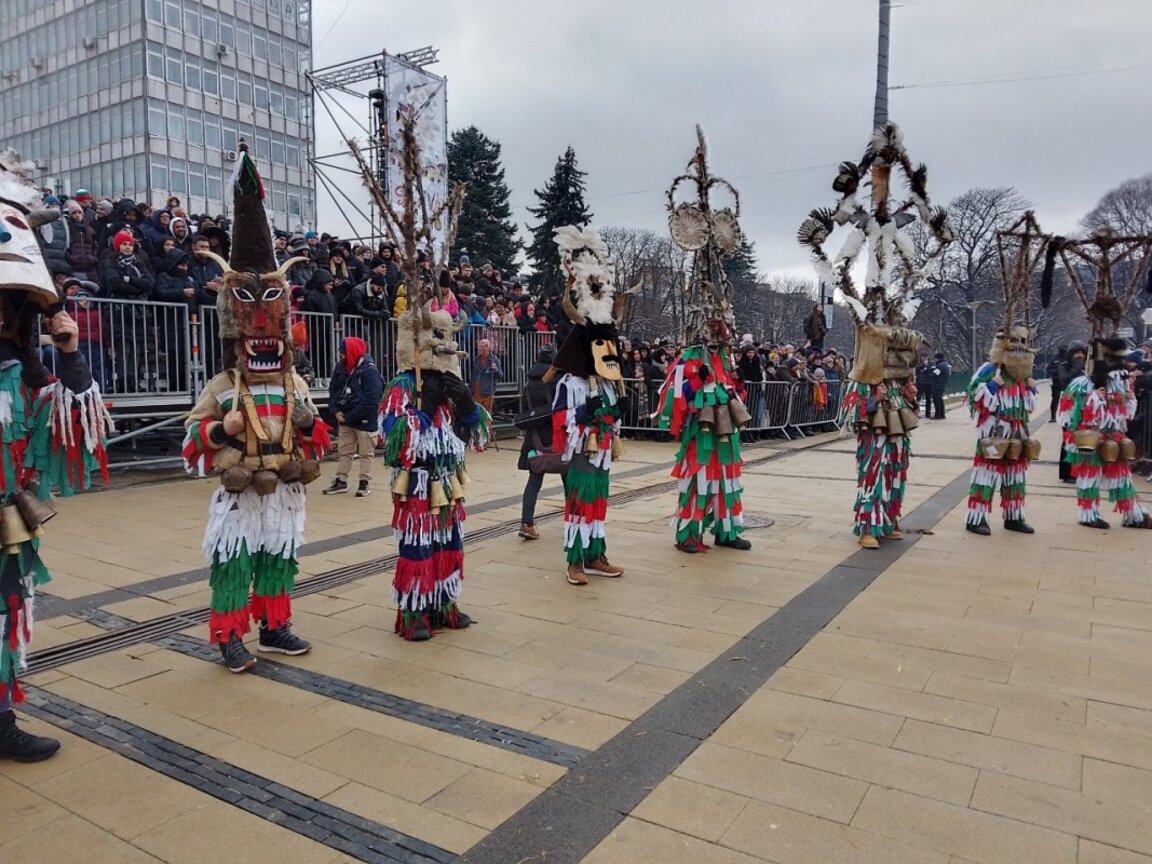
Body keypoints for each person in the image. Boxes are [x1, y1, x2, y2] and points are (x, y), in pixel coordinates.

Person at [181, 143, 330, 673]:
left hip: (284, 489)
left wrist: (311, 427)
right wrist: (222, 429)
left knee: (279, 558)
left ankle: (275, 627)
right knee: (233, 562)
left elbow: (318, 437)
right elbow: (190, 439)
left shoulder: (293, 382)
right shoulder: (222, 384)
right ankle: (228, 637)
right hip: (239, 491)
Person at [0, 150, 113, 760]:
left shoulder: (24, 378)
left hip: (6, 525)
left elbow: (77, 424)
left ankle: (0, 720)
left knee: (4, 615)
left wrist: (68, 348)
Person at [379, 298, 487, 640]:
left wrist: (468, 405)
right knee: (417, 547)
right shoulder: (403, 386)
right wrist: (423, 410)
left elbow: (478, 434)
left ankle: (443, 605)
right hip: (416, 482)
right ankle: (414, 613)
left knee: (448, 543)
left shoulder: (451, 384)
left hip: (448, 480)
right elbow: (390, 434)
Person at [549, 226, 626, 585]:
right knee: (579, 502)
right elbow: (562, 417)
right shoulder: (571, 382)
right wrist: (583, 419)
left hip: (604, 450)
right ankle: (574, 561)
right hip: (582, 451)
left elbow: (614, 412)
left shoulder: (610, 381)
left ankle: (597, 554)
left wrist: (612, 419)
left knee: (599, 502)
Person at [1057, 337, 1152, 529]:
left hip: (1114, 437)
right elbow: (1068, 415)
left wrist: (1130, 398)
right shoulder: (1082, 384)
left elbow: (1124, 415)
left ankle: (1134, 514)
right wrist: (1094, 399)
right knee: (1089, 477)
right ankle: (1088, 515)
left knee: (1122, 476)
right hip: (1090, 439)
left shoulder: (1119, 382)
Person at [965, 325, 1039, 536]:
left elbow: (1029, 406)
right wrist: (990, 387)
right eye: (1014, 341)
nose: (1019, 346)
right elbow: (972, 395)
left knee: (1015, 477)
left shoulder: (1024, 375)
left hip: (1018, 432)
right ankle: (976, 518)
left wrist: (1032, 389)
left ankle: (1014, 517)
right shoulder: (990, 369)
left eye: (1023, 342)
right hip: (994, 432)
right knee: (986, 475)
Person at [323, 337, 384, 498]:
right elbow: (334, 389)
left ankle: (364, 482)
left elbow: (371, 399)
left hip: (364, 420)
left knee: (366, 453)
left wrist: (350, 416)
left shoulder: (370, 371)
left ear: (352, 352)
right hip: (345, 418)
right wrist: (335, 409)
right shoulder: (341, 367)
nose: (339, 355)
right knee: (344, 451)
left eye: (342, 352)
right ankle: (341, 480)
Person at [517, 343, 558, 539]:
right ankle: (574, 519)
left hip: (535, 438)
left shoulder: (529, 383)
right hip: (557, 436)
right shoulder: (556, 380)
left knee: (534, 480)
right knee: (568, 477)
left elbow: (525, 409)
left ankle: (527, 522)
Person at [1057, 342, 1087, 483]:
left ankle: (1080, 469)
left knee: (1083, 439)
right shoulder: (1063, 366)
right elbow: (1065, 381)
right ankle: (1067, 472)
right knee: (1068, 439)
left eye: (1082, 353)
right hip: (1069, 409)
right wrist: (1076, 367)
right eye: (1076, 353)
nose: (1079, 356)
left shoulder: (1087, 368)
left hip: (1084, 407)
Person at [470, 338, 502, 416]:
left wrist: (495, 370)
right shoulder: (476, 359)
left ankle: (488, 428)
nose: (480, 349)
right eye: (480, 347)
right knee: (475, 414)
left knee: (486, 415)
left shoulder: (494, 360)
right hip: (475, 391)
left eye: (483, 347)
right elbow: (473, 375)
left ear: (488, 348)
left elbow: (500, 376)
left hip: (487, 392)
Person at [929, 352, 951, 419]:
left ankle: (937, 414)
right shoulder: (945, 364)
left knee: (936, 399)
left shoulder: (940, 365)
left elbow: (935, 374)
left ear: (938, 358)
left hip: (938, 384)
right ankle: (942, 414)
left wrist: (930, 373)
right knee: (940, 399)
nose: (934, 360)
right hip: (942, 384)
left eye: (935, 358)